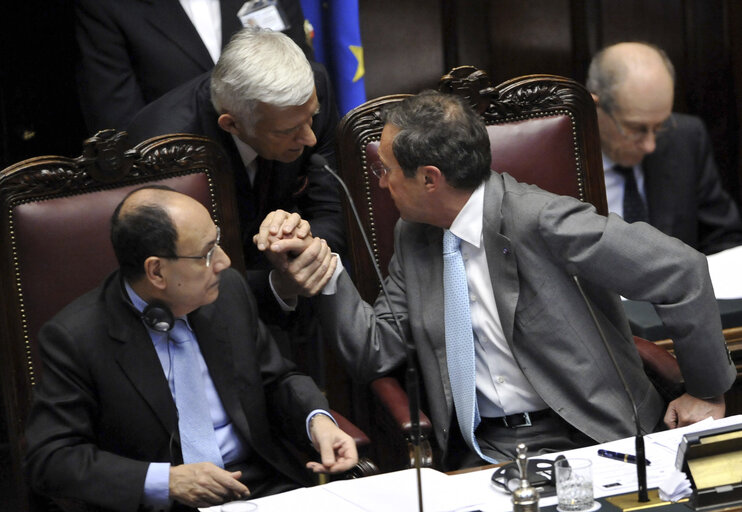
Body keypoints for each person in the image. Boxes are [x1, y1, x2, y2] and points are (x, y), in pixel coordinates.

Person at [256, 91, 735, 470]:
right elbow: (377, 348)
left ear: (430, 179)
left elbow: (681, 270)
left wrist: (707, 389)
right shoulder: (416, 236)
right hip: (484, 452)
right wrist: (325, 269)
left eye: (387, 172)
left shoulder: (542, 219)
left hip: (588, 435)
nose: (381, 184)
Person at [24, 187, 356, 511]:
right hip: (162, 501)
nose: (224, 262)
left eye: (218, 242)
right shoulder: (76, 338)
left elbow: (277, 380)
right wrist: (165, 481)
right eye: (207, 253)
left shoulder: (227, 293)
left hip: (262, 488)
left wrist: (318, 422)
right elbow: (51, 458)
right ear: (156, 271)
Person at [127, 28, 345, 312]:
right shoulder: (165, 155)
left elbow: (333, 209)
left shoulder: (309, 93)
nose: (309, 138)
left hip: (301, 301)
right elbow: (181, 278)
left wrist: (299, 246)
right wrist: (275, 285)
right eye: (289, 131)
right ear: (231, 124)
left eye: (311, 119)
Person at [586, 41, 742, 255]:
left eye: (660, 126)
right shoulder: (554, 159)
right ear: (594, 106)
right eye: (636, 129)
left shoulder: (685, 139)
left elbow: (723, 238)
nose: (650, 145)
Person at [74, 0, 312, 132]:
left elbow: (305, 77)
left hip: (281, 177)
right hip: (179, 182)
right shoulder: (105, 6)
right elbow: (121, 125)